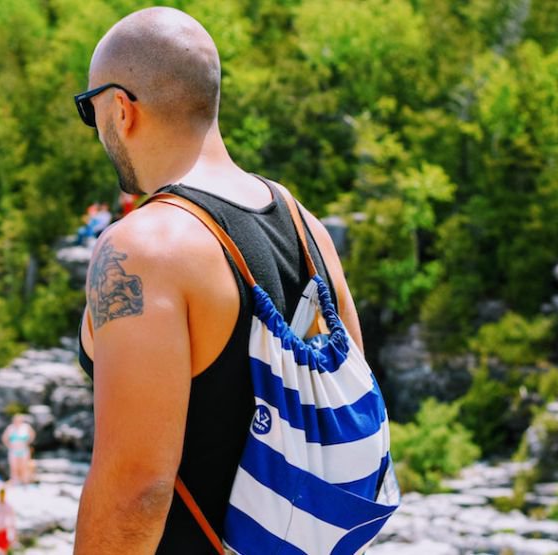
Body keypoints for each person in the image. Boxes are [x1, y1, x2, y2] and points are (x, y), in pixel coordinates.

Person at [72, 7, 367, 553]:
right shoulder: (308, 228)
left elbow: (136, 487)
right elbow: (350, 415)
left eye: (89, 112)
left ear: (121, 108)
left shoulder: (143, 247)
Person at [1, 414, 35, 485]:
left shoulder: (26, 427)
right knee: (14, 467)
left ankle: (24, 482)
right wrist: (8, 445)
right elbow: (4, 438)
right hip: (13, 450)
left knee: (24, 466)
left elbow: (33, 434)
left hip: (24, 449)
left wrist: (28, 442)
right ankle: (15, 482)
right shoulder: (10, 428)